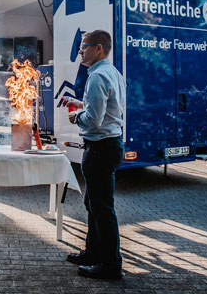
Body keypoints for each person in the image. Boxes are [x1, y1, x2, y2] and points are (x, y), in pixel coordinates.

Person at [64, 30, 126, 280]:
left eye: (83, 47)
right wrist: (80, 103)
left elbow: (94, 120)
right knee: (94, 205)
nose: (80, 51)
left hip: (100, 148)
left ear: (98, 48)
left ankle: (111, 266)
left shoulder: (98, 76)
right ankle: (93, 253)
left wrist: (76, 116)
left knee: (102, 209)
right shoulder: (113, 73)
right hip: (108, 146)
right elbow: (110, 108)